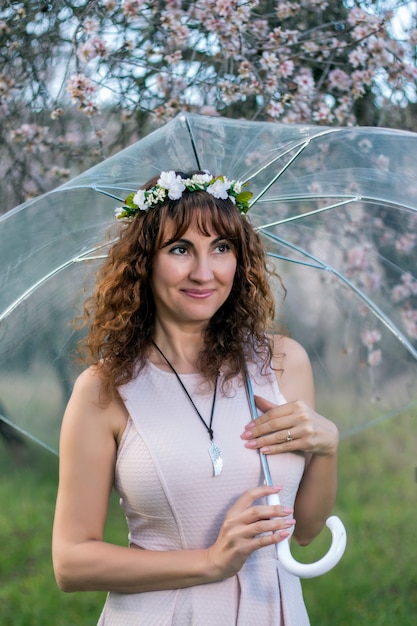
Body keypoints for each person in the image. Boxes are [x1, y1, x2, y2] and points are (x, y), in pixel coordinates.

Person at [52, 170, 339, 625]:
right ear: (143, 261)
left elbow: (304, 531)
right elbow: (70, 562)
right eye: (180, 249)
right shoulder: (104, 390)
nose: (204, 272)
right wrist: (209, 562)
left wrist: (326, 450)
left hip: (272, 610)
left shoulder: (281, 364)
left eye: (221, 248)